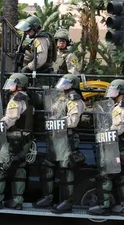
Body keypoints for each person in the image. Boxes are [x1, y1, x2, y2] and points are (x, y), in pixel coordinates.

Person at [0, 73, 34, 210]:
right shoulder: (29, 98)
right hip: (25, 139)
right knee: (19, 168)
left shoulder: (16, 99)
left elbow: (10, 119)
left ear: (19, 85)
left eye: (12, 83)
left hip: (14, 139)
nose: (10, 86)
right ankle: (17, 201)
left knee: (0, 167)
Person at [34, 74, 86, 214]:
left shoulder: (74, 99)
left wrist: (57, 122)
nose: (63, 85)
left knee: (65, 169)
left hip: (66, 138)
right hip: (55, 137)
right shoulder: (63, 97)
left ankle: (67, 202)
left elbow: (73, 121)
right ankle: (47, 197)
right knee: (47, 166)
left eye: (66, 83)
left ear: (73, 84)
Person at [88, 79, 124, 217]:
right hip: (121, 145)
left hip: (117, 145)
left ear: (121, 92)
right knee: (121, 176)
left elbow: (118, 128)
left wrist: (106, 131)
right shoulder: (120, 105)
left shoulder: (121, 107)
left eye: (114, 89)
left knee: (106, 175)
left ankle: (104, 206)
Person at [15, 16, 55, 88]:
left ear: (35, 29)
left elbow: (41, 59)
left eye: (28, 30)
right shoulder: (38, 38)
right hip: (42, 73)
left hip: (42, 74)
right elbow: (34, 55)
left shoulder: (40, 39)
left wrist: (28, 67)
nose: (27, 33)